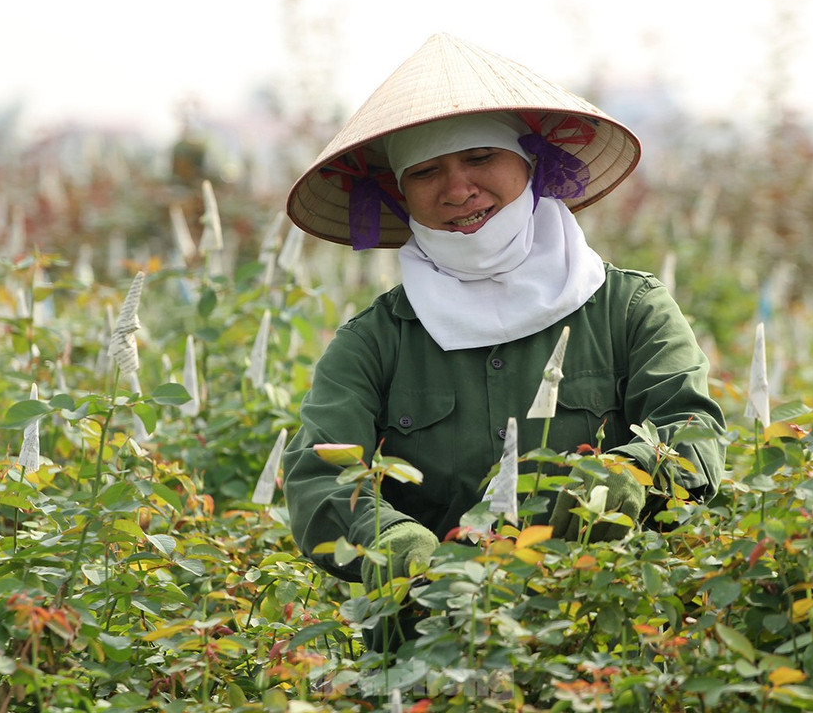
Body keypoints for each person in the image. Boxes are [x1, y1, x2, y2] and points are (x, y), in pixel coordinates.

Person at [281, 33, 725, 647]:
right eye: (428, 172)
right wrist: (391, 541)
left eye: (480, 158)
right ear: (399, 193)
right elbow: (318, 477)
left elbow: (694, 436)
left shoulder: (630, 311)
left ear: (531, 162)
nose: (458, 189)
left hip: (603, 644)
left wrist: (630, 476)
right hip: (428, 651)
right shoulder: (373, 344)